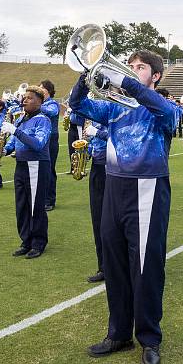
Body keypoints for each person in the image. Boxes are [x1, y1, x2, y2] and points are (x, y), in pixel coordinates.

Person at [70, 50, 174, 364]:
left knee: (146, 268)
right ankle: (118, 334)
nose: (130, 71)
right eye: (129, 67)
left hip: (147, 188)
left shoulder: (162, 108)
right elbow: (76, 106)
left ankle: (149, 338)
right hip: (114, 187)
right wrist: (86, 73)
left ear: (155, 76)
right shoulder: (112, 108)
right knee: (114, 266)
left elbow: (168, 114)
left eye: (139, 68)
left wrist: (128, 82)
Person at [4, 86, 51, 259]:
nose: (25, 100)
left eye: (29, 98)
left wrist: (16, 130)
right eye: (24, 97)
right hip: (22, 164)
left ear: (40, 101)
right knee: (22, 205)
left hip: (37, 164)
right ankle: (26, 240)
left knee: (35, 206)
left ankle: (38, 243)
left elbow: (38, 143)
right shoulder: (21, 118)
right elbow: (13, 141)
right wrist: (5, 150)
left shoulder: (43, 120)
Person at [84, 121, 108, 283]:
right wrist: (87, 146)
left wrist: (97, 133)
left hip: (114, 168)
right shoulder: (95, 121)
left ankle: (119, 265)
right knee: (98, 219)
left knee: (113, 221)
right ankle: (104, 266)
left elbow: (121, 138)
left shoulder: (116, 116)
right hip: (97, 168)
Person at [39, 80, 60, 211]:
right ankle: (43, 198)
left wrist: (36, 104)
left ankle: (50, 200)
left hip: (51, 139)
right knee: (42, 169)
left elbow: (51, 112)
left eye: (42, 88)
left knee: (50, 169)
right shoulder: (41, 103)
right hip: (41, 138)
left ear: (48, 90)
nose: (40, 89)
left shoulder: (53, 104)